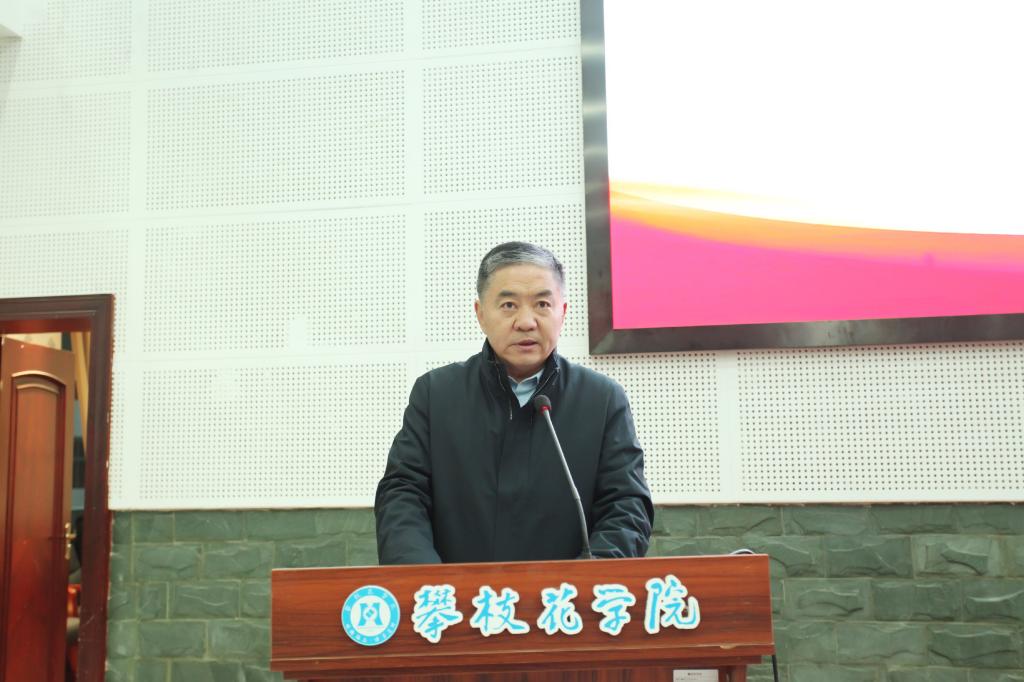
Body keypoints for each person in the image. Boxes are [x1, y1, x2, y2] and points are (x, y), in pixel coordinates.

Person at [375, 242, 653, 564]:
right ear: (480, 314)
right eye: (508, 305)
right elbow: (403, 496)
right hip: (455, 593)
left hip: (563, 595)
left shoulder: (601, 400)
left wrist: (581, 583)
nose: (526, 322)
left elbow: (626, 508)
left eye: (542, 304)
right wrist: (427, 581)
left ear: (563, 313)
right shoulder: (435, 394)